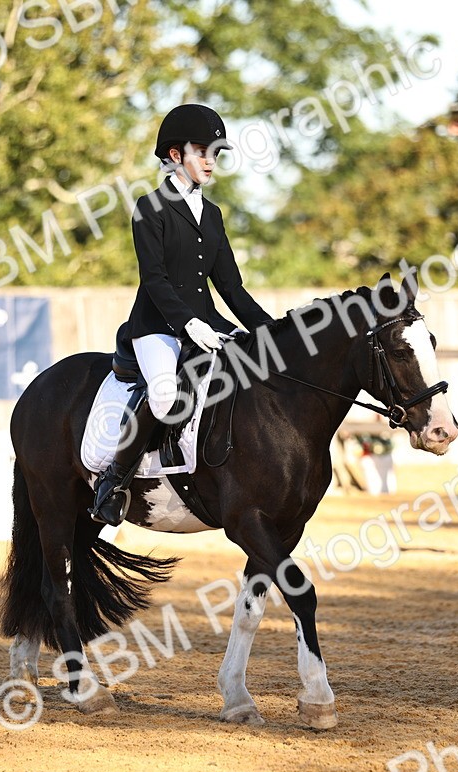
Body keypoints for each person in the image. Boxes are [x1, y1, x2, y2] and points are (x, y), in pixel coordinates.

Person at [89, 104, 274, 525]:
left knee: (253, 375)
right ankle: (113, 482)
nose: (211, 162)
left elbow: (231, 288)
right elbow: (154, 279)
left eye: (216, 154)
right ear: (175, 155)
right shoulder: (149, 207)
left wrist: (272, 330)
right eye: (202, 152)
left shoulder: (213, 215)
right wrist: (189, 323)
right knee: (163, 395)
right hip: (157, 327)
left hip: (208, 325)